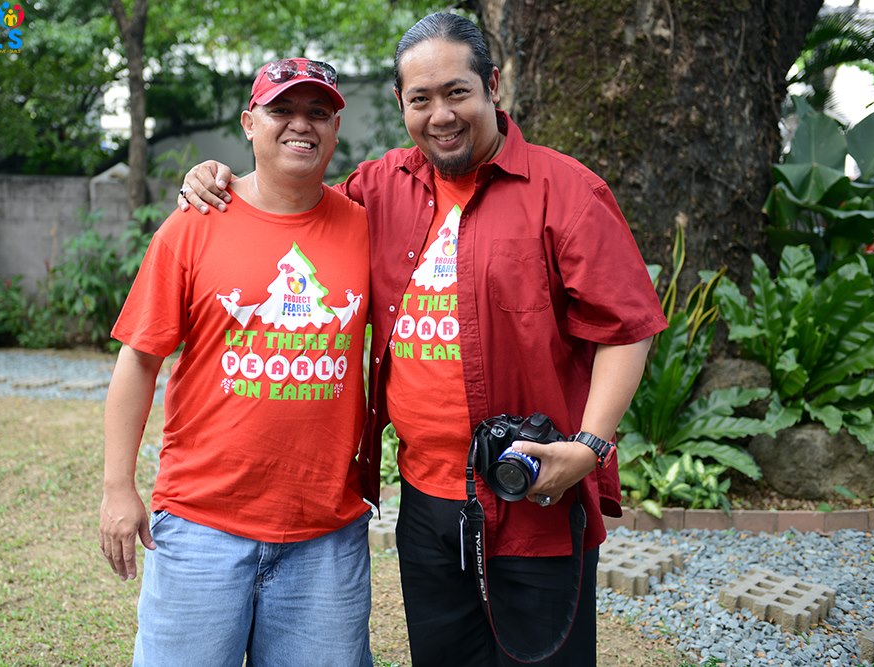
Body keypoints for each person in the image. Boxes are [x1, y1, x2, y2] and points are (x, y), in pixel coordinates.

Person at [178, 13, 668, 666]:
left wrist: (590, 445)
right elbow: (292, 203)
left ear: (493, 85)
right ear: (400, 104)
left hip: (533, 497)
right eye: (421, 99)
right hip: (425, 505)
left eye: (457, 92)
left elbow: (627, 328)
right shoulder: (381, 188)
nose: (441, 115)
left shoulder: (567, 191)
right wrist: (219, 180)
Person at [99, 57, 375, 666]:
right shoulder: (194, 223)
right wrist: (118, 487)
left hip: (326, 536)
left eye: (318, 113)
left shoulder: (365, 228)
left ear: (335, 130)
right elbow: (139, 360)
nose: (300, 124)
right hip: (201, 526)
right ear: (249, 123)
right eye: (282, 110)